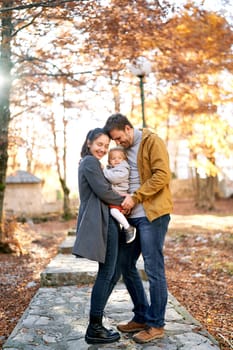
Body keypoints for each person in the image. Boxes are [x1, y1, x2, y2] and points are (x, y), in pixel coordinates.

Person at [103, 114, 173, 344]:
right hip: (133, 216)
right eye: (115, 140)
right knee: (125, 263)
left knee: (153, 268)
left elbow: (162, 175)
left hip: (152, 214)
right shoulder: (123, 149)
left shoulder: (152, 141)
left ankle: (156, 324)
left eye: (119, 138)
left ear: (128, 128)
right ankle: (142, 315)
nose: (118, 143)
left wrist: (136, 197)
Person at [72, 128, 124, 345]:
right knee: (107, 272)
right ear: (89, 142)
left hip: (107, 218)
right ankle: (95, 327)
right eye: (99, 144)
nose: (102, 148)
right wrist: (127, 199)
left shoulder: (93, 163)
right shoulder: (90, 162)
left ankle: (97, 322)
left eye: (106, 145)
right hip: (102, 220)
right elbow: (104, 191)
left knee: (115, 271)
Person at [103, 147, 136, 243]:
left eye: (119, 158)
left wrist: (103, 170)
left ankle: (128, 228)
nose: (116, 160)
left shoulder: (123, 169)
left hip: (121, 196)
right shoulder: (111, 169)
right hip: (115, 195)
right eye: (113, 158)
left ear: (124, 160)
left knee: (114, 211)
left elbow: (114, 179)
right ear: (109, 161)